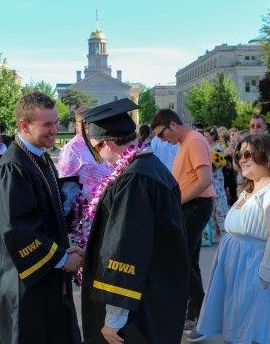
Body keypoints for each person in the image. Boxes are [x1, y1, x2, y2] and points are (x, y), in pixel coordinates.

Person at [80, 99, 189, 344]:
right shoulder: (153, 167)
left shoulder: (135, 180)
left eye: (97, 147)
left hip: (139, 305)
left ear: (107, 143)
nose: (98, 154)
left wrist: (113, 320)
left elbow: (126, 249)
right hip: (159, 291)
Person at [188, 134, 270, 343]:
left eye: (248, 154)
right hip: (242, 270)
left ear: (268, 156)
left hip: (260, 273)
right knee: (239, 330)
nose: (241, 159)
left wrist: (262, 279)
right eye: (239, 154)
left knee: (257, 333)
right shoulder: (253, 187)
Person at [0, 91, 83, 344]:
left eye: (56, 122)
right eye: (47, 124)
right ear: (24, 125)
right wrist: (60, 257)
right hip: (22, 280)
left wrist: (64, 247)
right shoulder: (12, 168)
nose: (55, 129)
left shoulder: (39, 158)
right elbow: (17, 229)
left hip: (43, 274)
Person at [151, 109, 214, 330]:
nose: (161, 139)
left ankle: (202, 311)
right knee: (189, 260)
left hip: (195, 206)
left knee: (181, 260)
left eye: (161, 134)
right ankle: (196, 311)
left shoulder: (194, 140)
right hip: (191, 205)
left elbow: (205, 180)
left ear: (173, 125)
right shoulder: (186, 142)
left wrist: (177, 202)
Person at [57, 105, 112, 248]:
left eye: (92, 122)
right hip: (85, 221)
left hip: (106, 211)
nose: (88, 127)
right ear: (77, 124)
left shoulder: (98, 143)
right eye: (85, 123)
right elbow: (66, 190)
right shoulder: (71, 149)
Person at [205, 127, 229, 237]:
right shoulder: (205, 147)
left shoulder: (218, 147)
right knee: (211, 208)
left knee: (220, 206)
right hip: (208, 181)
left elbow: (219, 163)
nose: (205, 138)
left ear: (213, 136)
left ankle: (224, 231)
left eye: (207, 136)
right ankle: (214, 232)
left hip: (217, 180)